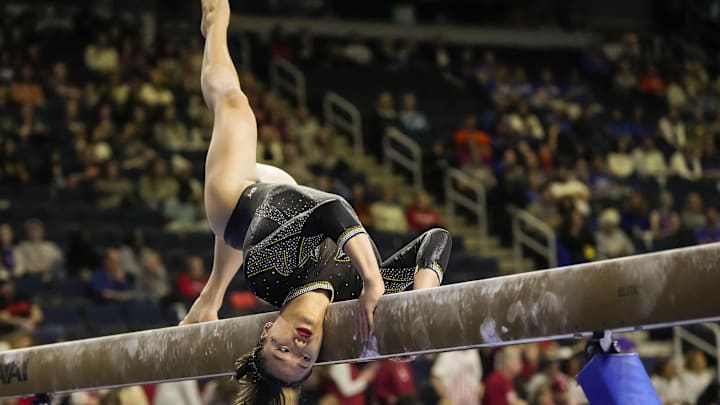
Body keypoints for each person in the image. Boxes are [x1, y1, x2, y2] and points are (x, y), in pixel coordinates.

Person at [180, 3, 453, 405]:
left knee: (235, 105)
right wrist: (418, 302)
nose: (299, 347)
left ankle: (214, 22)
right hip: (289, 200)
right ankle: (209, 300)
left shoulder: (267, 275)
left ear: (266, 330)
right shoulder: (352, 296)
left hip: (239, 201)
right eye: (305, 360)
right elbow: (437, 239)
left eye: (281, 349)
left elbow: (330, 209)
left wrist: (375, 283)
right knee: (284, 201)